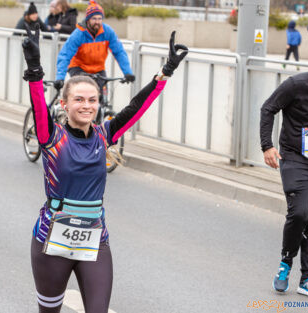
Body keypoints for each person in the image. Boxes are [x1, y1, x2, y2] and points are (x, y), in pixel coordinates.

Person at [22, 24, 187, 313]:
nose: (87, 106)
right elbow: (38, 106)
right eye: (79, 100)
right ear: (65, 103)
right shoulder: (51, 136)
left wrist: (166, 72)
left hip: (94, 240)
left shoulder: (103, 135)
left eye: (93, 100)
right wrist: (34, 68)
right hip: (52, 240)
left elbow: (137, 106)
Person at [261, 70, 308, 297]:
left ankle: (307, 278)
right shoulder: (297, 84)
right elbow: (268, 108)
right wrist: (267, 146)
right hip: (295, 158)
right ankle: (285, 263)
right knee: (300, 213)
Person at [55, 0, 135, 92]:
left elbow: (119, 52)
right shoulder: (79, 34)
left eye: (99, 19)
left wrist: (127, 72)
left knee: (101, 95)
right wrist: (60, 77)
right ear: (88, 19)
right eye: (94, 19)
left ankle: (103, 105)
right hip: (79, 68)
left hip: (98, 69)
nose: (97, 22)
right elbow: (65, 55)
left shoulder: (107, 31)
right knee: (85, 93)